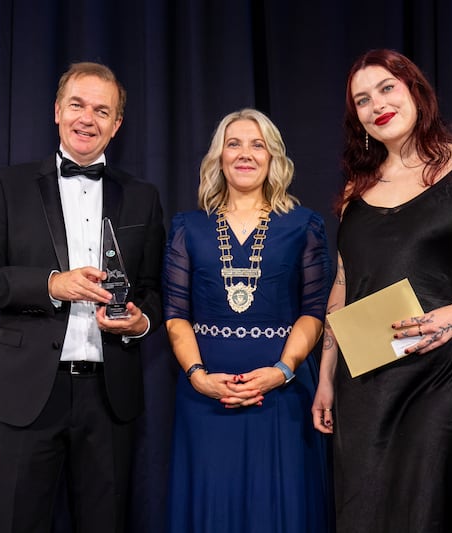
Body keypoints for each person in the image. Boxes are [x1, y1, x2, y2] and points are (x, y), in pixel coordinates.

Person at [311, 49, 452, 532]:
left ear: (415, 92)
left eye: (387, 88)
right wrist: (325, 376)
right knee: (363, 515)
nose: (377, 104)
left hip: (443, 370)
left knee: (430, 511)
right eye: (362, 100)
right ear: (358, 119)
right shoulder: (354, 192)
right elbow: (342, 289)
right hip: (364, 379)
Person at [0, 61, 165, 532]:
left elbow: (152, 291)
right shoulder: (8, 187)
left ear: (117, 124)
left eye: (101, 110)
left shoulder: (143, 197)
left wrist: (141, 322)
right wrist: (51, 284)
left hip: (110, 400)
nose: (87, 118)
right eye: (77, 105)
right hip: (27, 396)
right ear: (56, 111)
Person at [163, 108, 333, 533]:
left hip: (283, 394)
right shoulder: (188, 227)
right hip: (205, 394)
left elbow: (315, 312)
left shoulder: (303, 224)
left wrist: (282, 371)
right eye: (234, 143)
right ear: (218, 156)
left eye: (258, 144)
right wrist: (198, 375)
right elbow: (175, 316)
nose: (245, 154)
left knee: (279, 508)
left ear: (273, 156)